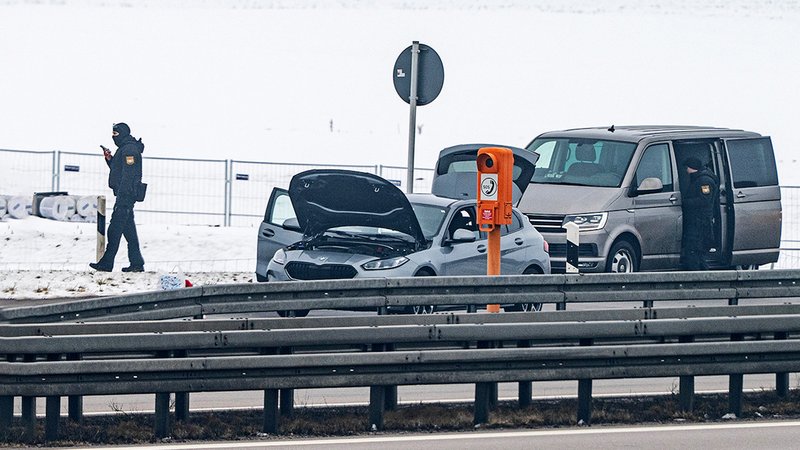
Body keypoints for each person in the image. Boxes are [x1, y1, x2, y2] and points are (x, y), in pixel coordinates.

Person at [90, 123, 146, 272]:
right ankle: (137, 263)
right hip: (124, 196)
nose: (113, 137)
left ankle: (107, 263)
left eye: (115, 134)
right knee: (129, 232)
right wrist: (110, 159)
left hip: (125, 196)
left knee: (114, 230)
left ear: (123, 133)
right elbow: (119, 170)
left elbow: (129, 175)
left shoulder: (129, 150)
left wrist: (123, 196)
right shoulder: (124, 148)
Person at [680, 157, 718, 271]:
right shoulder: (698, 179)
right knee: (696, 252)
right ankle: (702, 277)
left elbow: (704, 200)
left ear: (692, 168)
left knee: (694, 250)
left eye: (687, 167)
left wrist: (685, 202)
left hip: (700, 222)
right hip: (697, 220)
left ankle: (698, 278)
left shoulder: (704, 181)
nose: (686, 170)